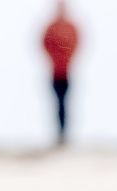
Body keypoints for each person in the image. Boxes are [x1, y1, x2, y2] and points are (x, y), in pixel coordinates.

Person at [42, 1, 80, 146]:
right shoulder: (51, 28)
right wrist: (52, 60)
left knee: (66, 103)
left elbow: (76, 43)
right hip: (54, 71)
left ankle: (65, 134)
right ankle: (59, 134)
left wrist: (70, 59)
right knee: (57, 103)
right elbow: (44, 44)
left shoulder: (70, 27)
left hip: (67, 71)